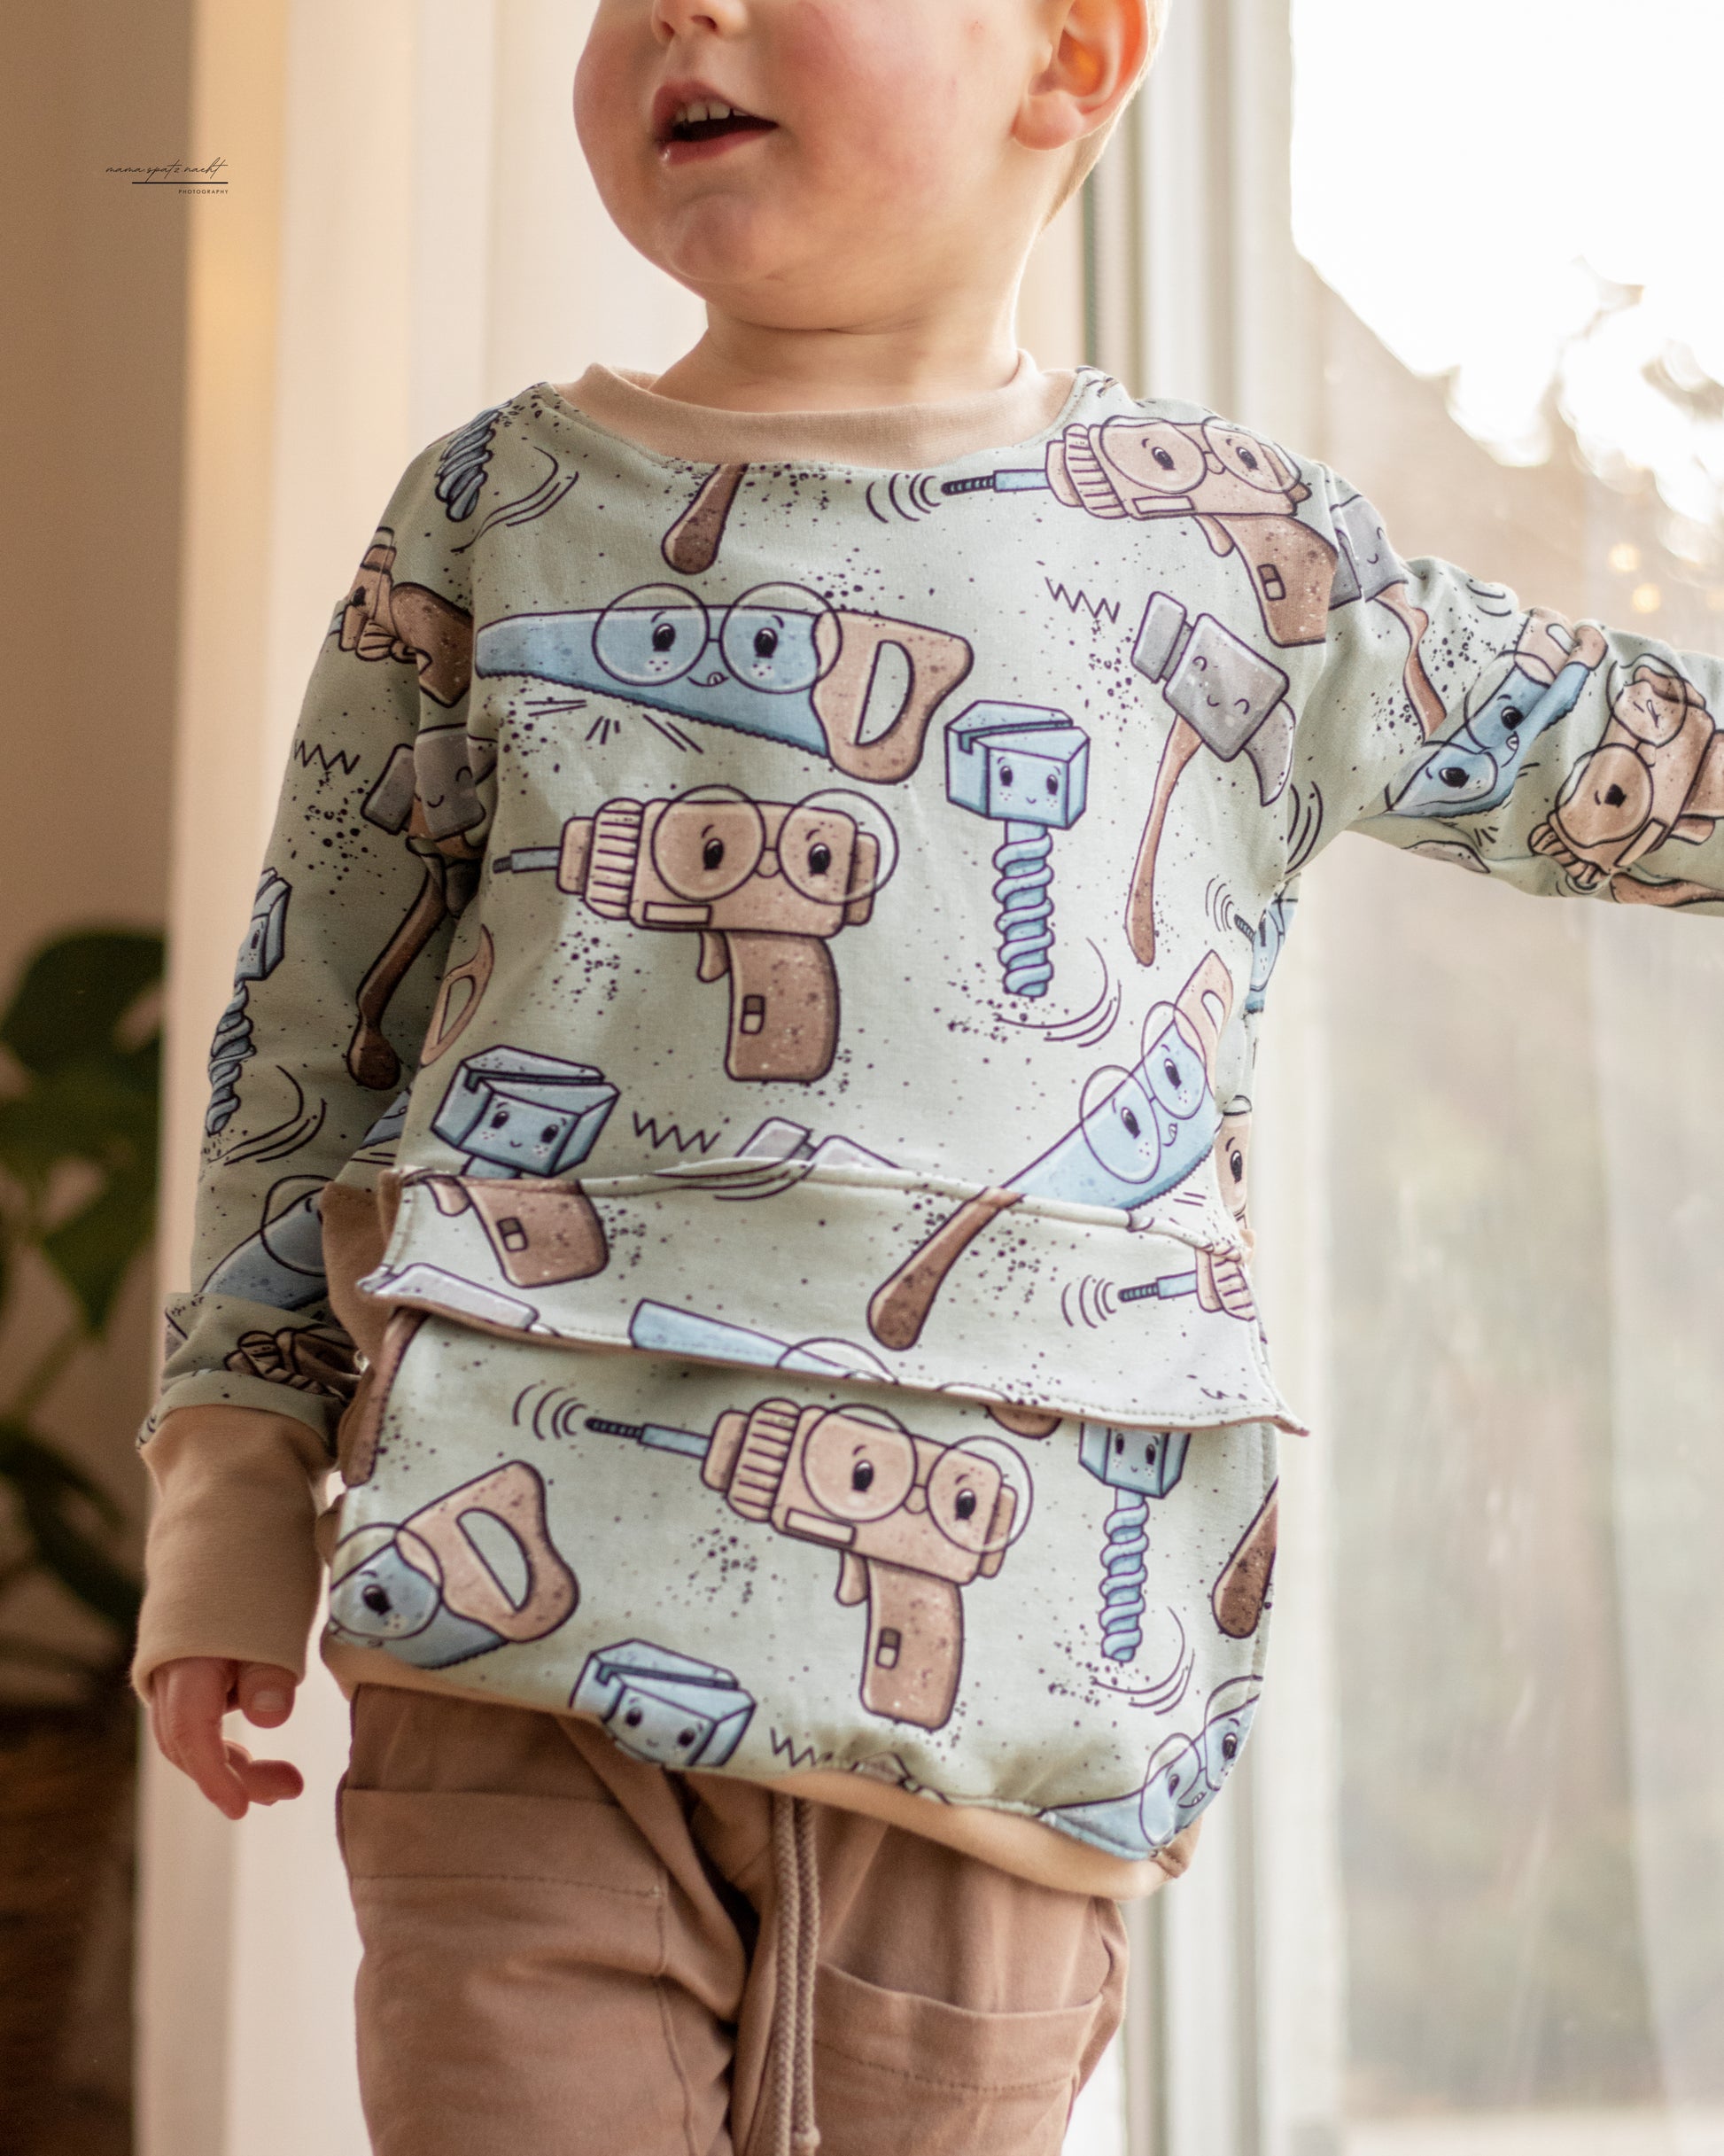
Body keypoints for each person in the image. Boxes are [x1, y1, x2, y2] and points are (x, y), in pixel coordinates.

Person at [136, 1, 1724, 2151]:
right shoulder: (493, 513)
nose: (679, 15)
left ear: (1071, 58)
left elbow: (1619, 762)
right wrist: (232, 1498)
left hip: (1010, 1685)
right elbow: (308, 1034)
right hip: (517, 1633)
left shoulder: (1239, 553)